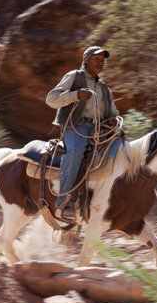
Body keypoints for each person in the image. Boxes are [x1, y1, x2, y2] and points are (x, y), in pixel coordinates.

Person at [46, 46, 120, 222]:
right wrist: (76, 95)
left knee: (121, 150)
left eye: (102, 60)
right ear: (86, 60)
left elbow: (114, 113)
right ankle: (64, 202)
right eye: (97, 59)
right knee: (76, 151)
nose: (100, 63)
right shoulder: (75, 76)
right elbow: (51, 99)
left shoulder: (104, 88)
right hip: (75, 127)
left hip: (98, 131)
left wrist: (114, 120)